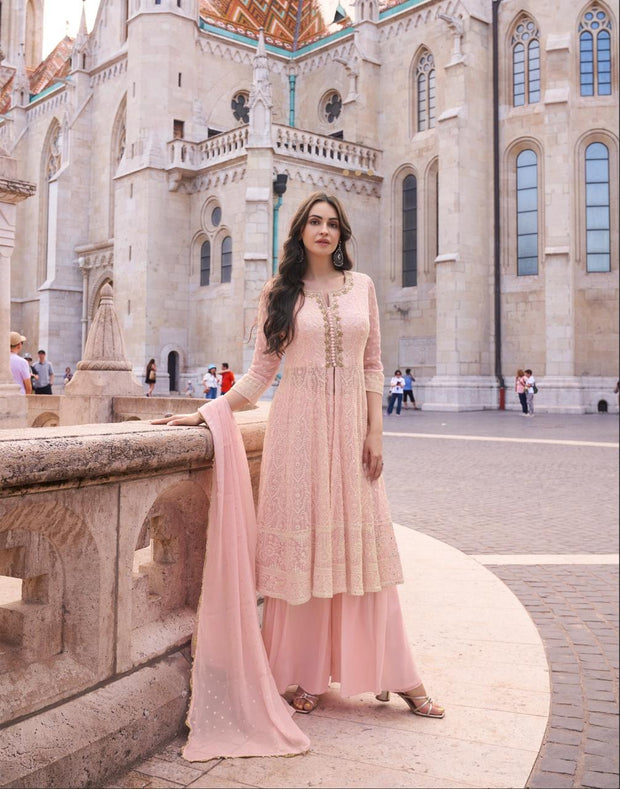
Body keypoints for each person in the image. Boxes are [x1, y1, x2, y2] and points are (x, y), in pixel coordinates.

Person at [154, 191, 444, 736]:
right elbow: (262, 375)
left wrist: (375, 431)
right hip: (298, 431)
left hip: (351, 435)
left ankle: (399, 672)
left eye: (333, 223)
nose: (324, 230)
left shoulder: (363, 287)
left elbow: (373, 364)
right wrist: (206, 412)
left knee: (364, 553)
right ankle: (307, 674)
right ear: (300, 231)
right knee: (307, 550)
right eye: (315, 222)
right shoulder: (280, 293)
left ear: (342, 233)